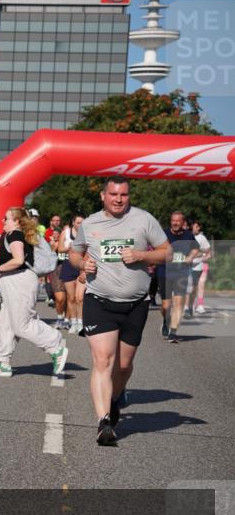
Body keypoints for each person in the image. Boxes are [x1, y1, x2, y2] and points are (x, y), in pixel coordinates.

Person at [69, 176, 170, 446]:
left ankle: (114, 398)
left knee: (123, 365)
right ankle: (103, 422)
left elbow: (167, 252)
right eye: (113, 194)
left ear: (129, 196)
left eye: (123, 195)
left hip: (136, 304)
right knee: (103, 360)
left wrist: (141, 256)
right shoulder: (90, 223)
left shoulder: (143, 220)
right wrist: (82, 265)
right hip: (99, 301)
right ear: (103, 195)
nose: (118, 199)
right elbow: (74, 253)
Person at [0, 207, 68, 378]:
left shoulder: (15, 235)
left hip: (19, 281)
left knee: (22, 324)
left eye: (6, 218)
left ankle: (55, 346)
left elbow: (18, 259)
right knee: (5, 323)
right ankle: (2, 362)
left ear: (16, 221)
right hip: (12, 281)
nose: (3, 221)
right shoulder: (13, 235)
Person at [156, 211, 199, 343]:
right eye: (173, 220)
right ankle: (166, 320)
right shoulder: (163, 234)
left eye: (178, 221)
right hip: (164, 271)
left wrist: (191, 257)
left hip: (181, 273)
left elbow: (196, 248)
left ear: (183, 222)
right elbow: (155, 247)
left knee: (179, 302)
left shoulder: (188, 235)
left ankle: (173, 332)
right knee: (166, 305)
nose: (175, 223)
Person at [57, 214, 85, 334]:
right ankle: (73, 322)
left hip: (81, 265)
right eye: (78, 222)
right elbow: (59, 249)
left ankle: (81, 322)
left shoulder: (86, 233)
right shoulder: (66, 233)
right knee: (71, 297)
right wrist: (70, 246)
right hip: (68, 265)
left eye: (82, 223)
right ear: (73, 222)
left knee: (80, 297)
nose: (81, 225)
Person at [189, 220, 212, 314]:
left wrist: (204, 257)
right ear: (192, 227)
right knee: (192, 287)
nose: (198, 228)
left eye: (199, 227)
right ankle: (191, 305)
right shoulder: (187, 237)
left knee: (201, 285)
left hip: (202, 265)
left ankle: (200, 306)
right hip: (190, 266)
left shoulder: (201, 237)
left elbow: (208, 251)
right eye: (196, 226)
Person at [44, 215, 64, 312]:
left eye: (58, 220)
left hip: (61, 265)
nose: (56, 222)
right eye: (54, 220)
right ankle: (50, 297)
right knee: (49, 280)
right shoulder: (47, 233)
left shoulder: (63, 236)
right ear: (51, 221)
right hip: (51, 265)